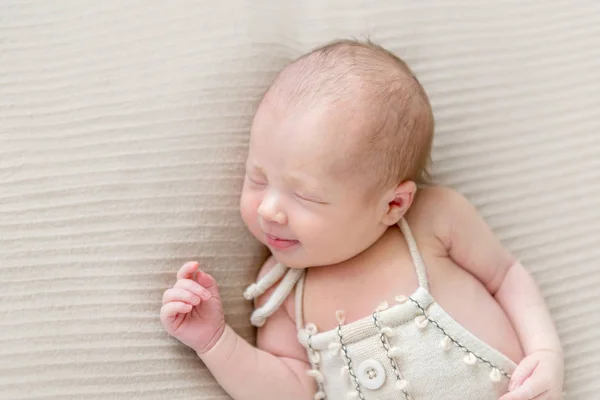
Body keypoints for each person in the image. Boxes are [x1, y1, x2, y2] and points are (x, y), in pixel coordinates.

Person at [160, 39, 564, 400]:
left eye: (305, 196)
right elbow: (291, 389)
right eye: (258, 178)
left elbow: (507, 276)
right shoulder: (281, 291)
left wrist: (545, 354)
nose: (268, 210)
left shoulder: (433, 219)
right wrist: (214, 341)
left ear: (393, 205)